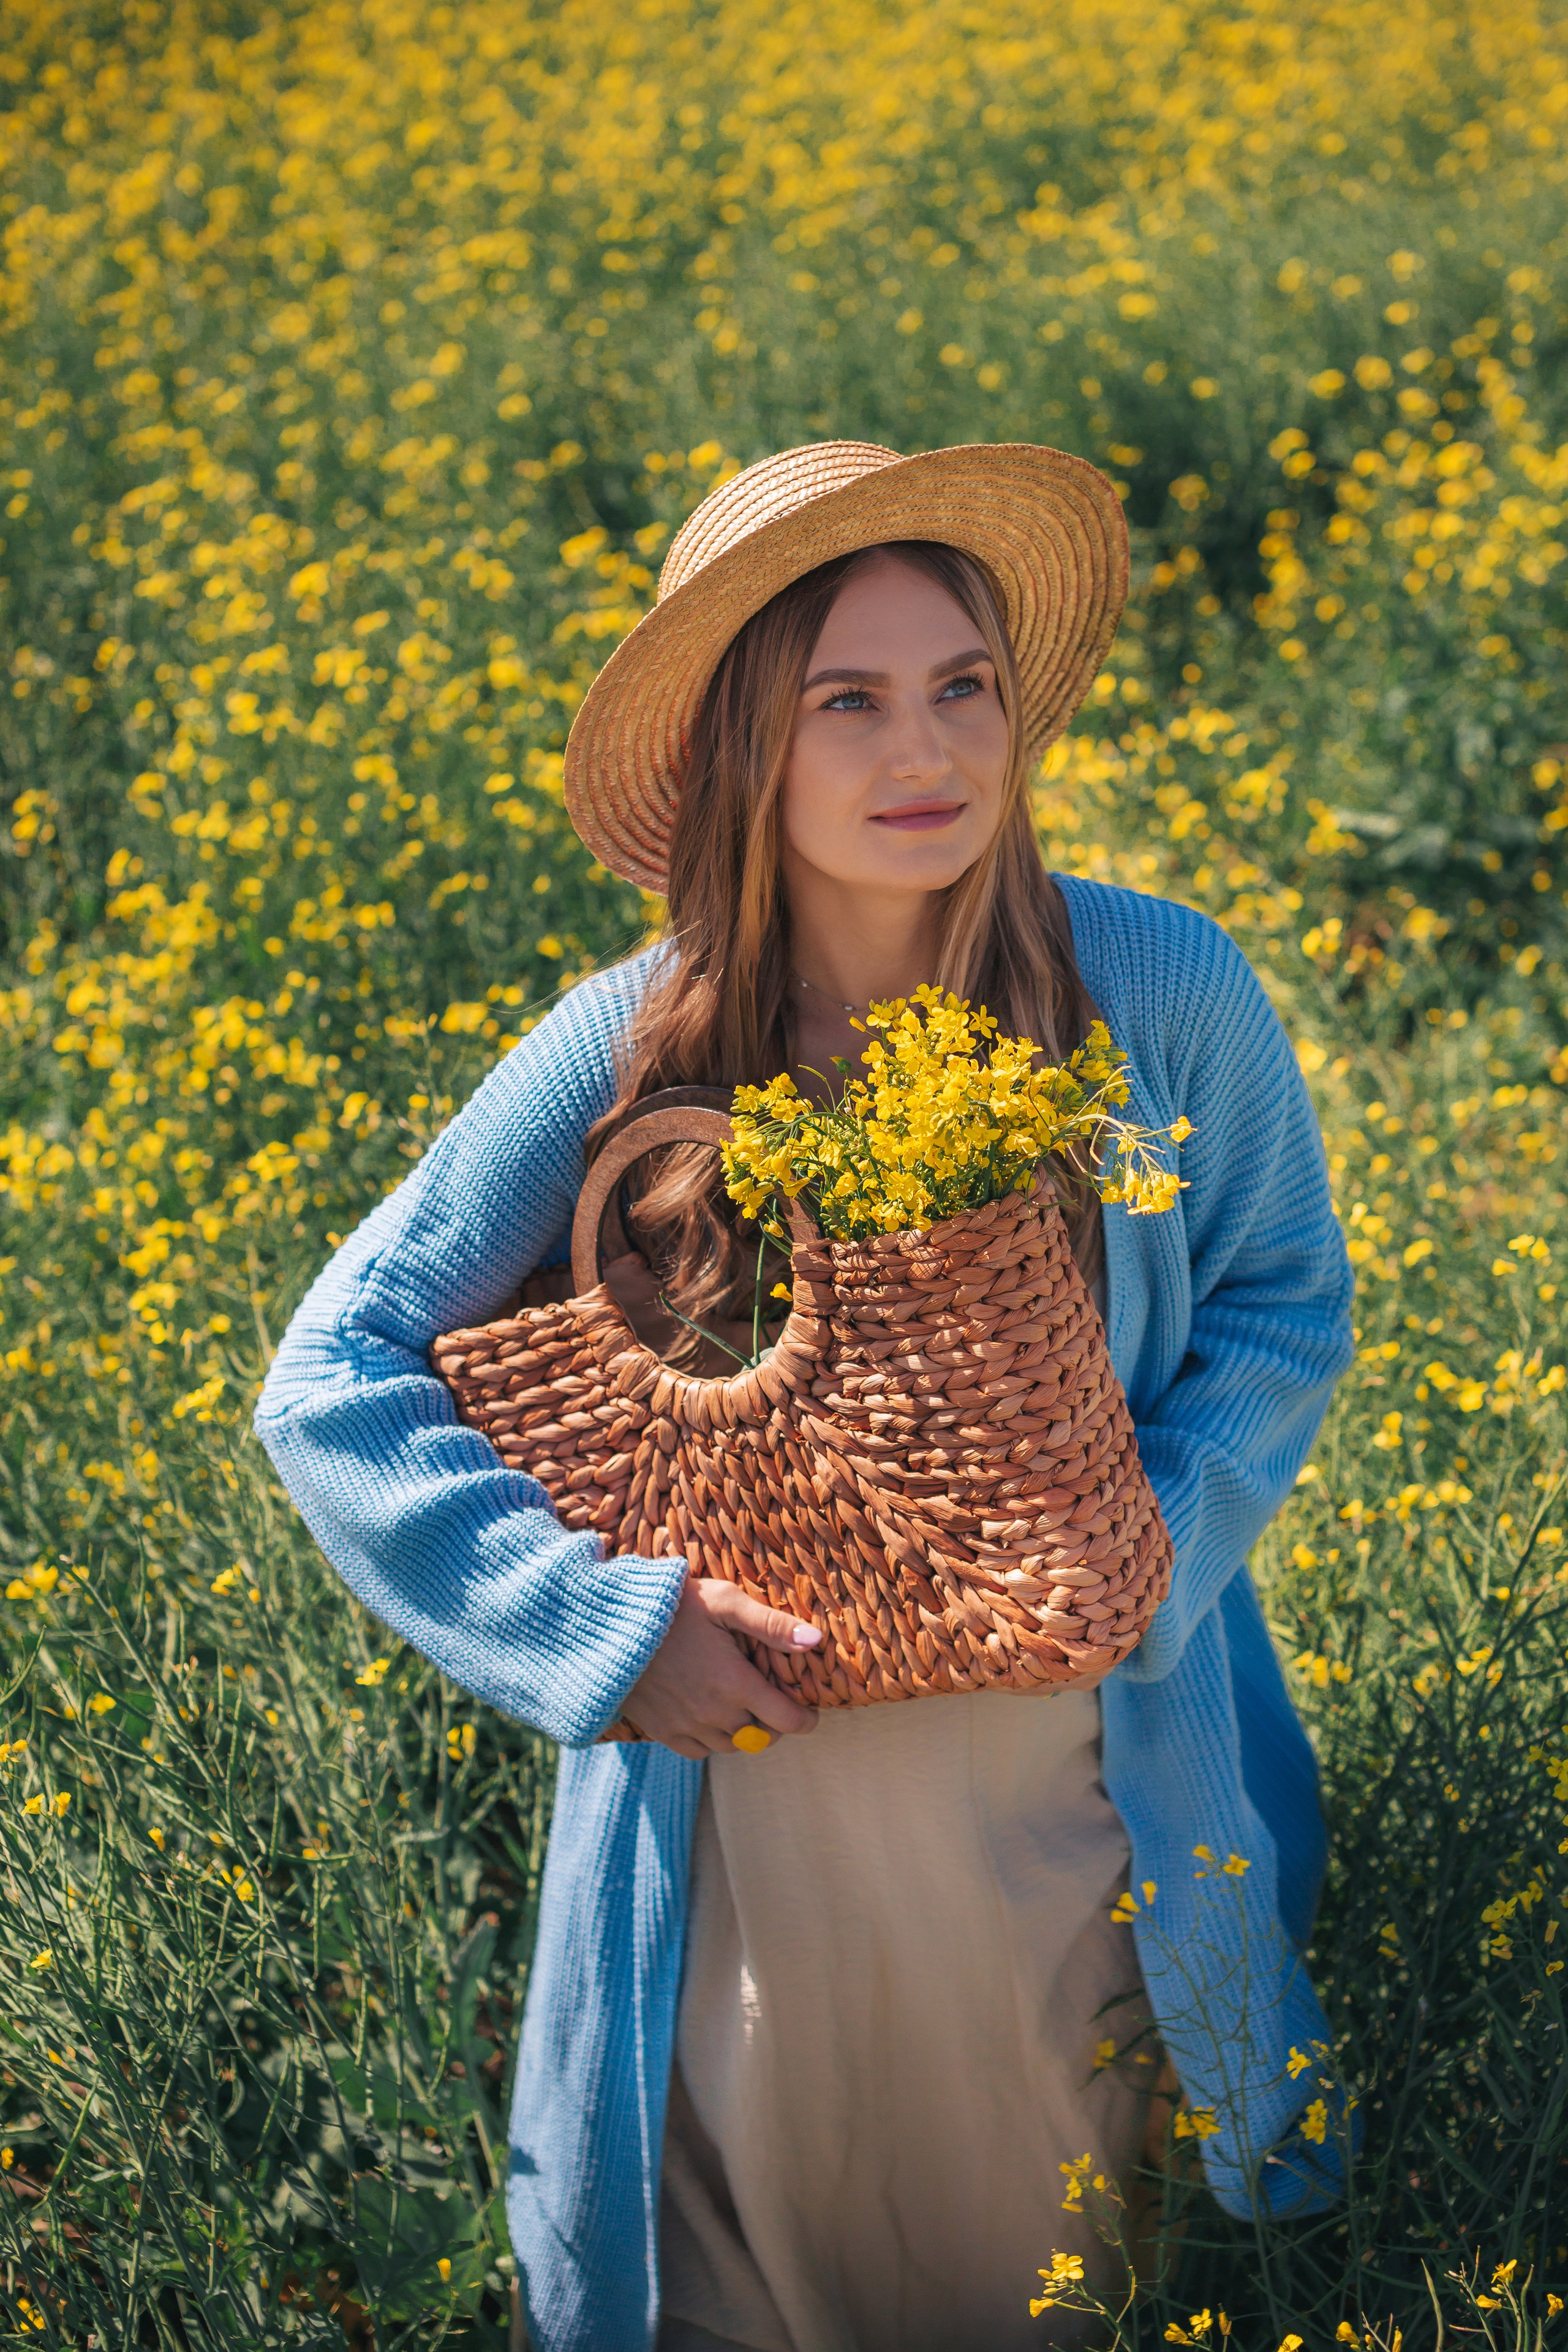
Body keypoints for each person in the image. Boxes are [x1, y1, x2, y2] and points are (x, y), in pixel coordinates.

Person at [256, 440, 1355, 2352]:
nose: (924, 748)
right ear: (746, 744)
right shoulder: (632, 1038)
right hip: (743, 1824)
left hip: (1091, 1792)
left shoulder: (1158, 990)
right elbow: (328, 1377)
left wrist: (1154, 1545)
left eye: (964, 687)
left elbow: (1281, 1300)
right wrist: (603, 1632)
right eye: (848, 700)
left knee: (1083, 2267)